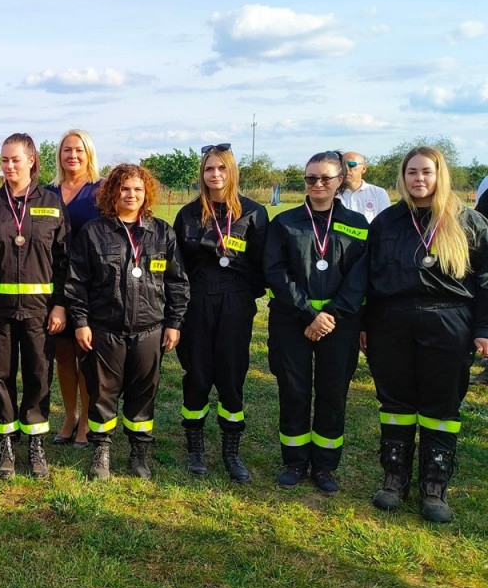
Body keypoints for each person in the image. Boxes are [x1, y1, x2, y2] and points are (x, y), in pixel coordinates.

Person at [363, 146, 488, 522]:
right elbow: (368, 278)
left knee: (441, 407)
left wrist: (483, 329)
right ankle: (393, 478)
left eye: (426, 172)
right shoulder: (386, 222)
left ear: (440, 175)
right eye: (412, 172)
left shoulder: (469, 222)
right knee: (396, 402)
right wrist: (366, 324)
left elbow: (485, 282)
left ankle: (434, 486)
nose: (419, 179)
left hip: (448, 322)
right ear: (403, 177)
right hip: (391, 321)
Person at [67, 164, 189, 480]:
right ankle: (102, 451)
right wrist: (80, 321)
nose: (131, 194)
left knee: (142, 395)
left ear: (146, 193)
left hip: (150, 329)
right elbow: (76, 280)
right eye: (124, 188)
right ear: (113, 193)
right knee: (101, 393)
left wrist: (174, 322)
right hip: (104, 329)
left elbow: (177, 282)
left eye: (137, 189)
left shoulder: (162, 232)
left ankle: (139, 453)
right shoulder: (94, 232)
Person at [264, 151, 368, 495]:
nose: (318, 184)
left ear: (340, 181)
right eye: (311, 178)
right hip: (293, 320)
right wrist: (309, 314)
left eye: (325, 178)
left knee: (332, 392)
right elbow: (275, 273)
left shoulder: (357, 223)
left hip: (340, 324)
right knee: (293, 390)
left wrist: (331, 316)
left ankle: (324, 465)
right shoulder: (285, 222)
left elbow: (360, 277)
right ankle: (294, 461)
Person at [0, 133, 69, 479]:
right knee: (1, 375)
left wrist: (60, 306)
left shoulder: (53, 205)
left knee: (39, 375)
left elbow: (64, 261)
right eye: (4, 160)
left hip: (41, 312)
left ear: (31, 160)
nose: (9, 166)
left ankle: (36, 441)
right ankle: (6, 440)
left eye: (15, 159)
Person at [174, 144, 268, 481]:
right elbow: (178, 266)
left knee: (231, 377)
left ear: (232, 171)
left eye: (221, 168)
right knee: (197, 375)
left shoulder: (254, 213)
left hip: (235, 304)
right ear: (202, 174)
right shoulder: (187, 214)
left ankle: (231, 451)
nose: (215, 175)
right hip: (196, 304)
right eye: (209, 169)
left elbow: (261, 265)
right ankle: (195, 448)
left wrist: (242, 298)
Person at [45, 129, 103, 448]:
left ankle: (87, 424)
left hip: (90, 283)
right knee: (63, 356)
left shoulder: (101, 190)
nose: (73, 156)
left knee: (85, 353)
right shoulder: (47, 192)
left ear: (88, 153)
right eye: (67, 150)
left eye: (79, 150)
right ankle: (70, 416)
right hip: (54, 283)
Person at [337, 151, 391, 223]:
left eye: (351, 164)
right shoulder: (333, 193)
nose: (346, 168)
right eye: (342, 165)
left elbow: (385, 222)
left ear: (364, 169)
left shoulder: (379, 193)